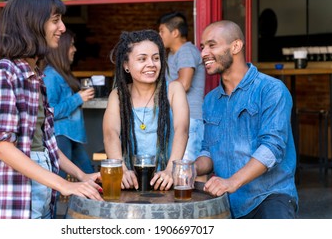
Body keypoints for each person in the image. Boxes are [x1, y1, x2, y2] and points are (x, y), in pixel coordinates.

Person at [0, 0, 102, 219]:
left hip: (43, 197)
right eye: (55, 20)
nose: (62, 28)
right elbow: (3, 147)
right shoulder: (4, 72)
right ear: (31, 25)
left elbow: (46, 144)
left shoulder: (36, 76)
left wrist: (81, 175)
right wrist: (64, 185)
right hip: (15, 204)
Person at [195, 20, 298, 219]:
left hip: (269, 197)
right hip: (228, 203)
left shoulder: (271, 90)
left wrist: (232, 181)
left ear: (236, 46)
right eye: (202, 47)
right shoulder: (210, 100)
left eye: (212, 45)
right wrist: (193, 168)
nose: (203, 53)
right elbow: (208, 150)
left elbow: (272, 148)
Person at [103, 29, 189, 191]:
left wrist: (171, 170)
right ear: (126, 65)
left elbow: (181, 130)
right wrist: (121, 169)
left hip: (166, 180)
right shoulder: (118, 95)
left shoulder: (174, 90)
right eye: (142, 59)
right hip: (129, 182)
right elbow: (110, 134)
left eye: (156, 58)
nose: (151, 64)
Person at [42, 29, 95, 175]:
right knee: (60, 182)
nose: (74, 49)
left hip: (71, 136)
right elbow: (51, 112)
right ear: (62, 48)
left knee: (88, 174)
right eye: (71, 45)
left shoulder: (60, 73)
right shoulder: (51, 75)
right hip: (60, 135)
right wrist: (78, 98)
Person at [158, 11, 205, 161]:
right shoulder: (173, 53)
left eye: (162, 31)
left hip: (191, 118)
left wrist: (154, 93)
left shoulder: (186, 51)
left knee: (186, 169)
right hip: (180, 118)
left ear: (175, 33)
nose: (159, 35)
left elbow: (184, 84)